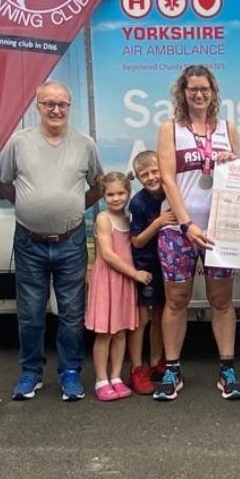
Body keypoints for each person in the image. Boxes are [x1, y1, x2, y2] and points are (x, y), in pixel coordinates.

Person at [0, 80, 102, 402]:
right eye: (49, 104)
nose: (56, 110)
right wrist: (32, 208)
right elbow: (4, 184)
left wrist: (70, 210)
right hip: (30, 242)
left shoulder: (85, 144)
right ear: (37, 106)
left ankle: (70, 372)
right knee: (30, 312)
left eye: (62, 104)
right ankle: (31, 373)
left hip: (71, 242)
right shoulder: (18, 142)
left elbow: (98, 186)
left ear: (69, 107)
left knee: (71, 313)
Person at [153, 64, 240, 402]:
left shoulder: (227, 128)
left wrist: (231, 161)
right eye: (192, 88)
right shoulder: (170, 129)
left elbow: (238, 177)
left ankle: (227, 369)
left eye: (204, 88)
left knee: (222, 300)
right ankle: (172, 370)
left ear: (213, 91)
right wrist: (187, 223)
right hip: (180, 229)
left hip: (219, 229)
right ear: (183, 92)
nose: (198, 94)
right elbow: (167, 179)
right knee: (177, 300)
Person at [87, 171, 148, 401]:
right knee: (105, 332)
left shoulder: (128, 219)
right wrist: (135, 273)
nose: (116, 198)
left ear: (128, 193)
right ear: (103, 196)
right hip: (108, 280)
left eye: (121, 193)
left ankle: (116, 376)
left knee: (121, 331)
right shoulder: (103, 219)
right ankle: (101, 379)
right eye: (110, 194)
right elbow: (109, 255)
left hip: (124, 282)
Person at [127, 150, 171, 394]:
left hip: (167, 264)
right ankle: (136, 368)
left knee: (161, 316)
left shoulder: (171, 193)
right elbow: (137, 242)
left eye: (155, 171)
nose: (152, 177)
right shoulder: (138, 202)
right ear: (138, 178)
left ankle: (156, 363)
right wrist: (158, 222)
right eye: (145, 175)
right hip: (146, 267)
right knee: (142, 319)